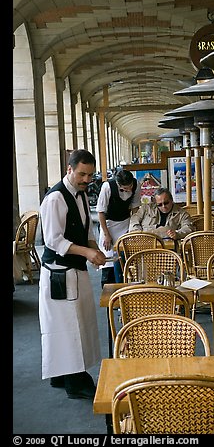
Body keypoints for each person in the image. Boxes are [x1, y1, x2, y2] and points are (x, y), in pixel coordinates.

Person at [38, 149, 106, 400]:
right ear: (69, 169)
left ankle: (61, 374)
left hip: (74, 271)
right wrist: (87, 253)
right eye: (81, 174)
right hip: (59, 273)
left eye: (89, 175)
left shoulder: (81, 193)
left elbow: (85, 227)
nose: (86, 180)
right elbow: (54, 240)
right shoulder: (55, 198)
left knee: (79, 323)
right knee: (68, 329)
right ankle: (75, 381)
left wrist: (94, 247)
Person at [96, 168, 141, 286]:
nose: (128, 190)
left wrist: (134, 229)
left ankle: (124, 288)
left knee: (123, 259)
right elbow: (100, 212)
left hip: (125, 223)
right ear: (118, 184)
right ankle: (108, 294)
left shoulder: (136, 185)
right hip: (109, 224)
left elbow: (135, 209)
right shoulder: (107, 187)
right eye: (125, 188)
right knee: (108, 261)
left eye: (130, 186)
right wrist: (106, 235)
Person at [129, 187, 194, 240]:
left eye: (166, 203)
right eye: (159, 204)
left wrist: (178, 233)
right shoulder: (146, 209)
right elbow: (134, 220)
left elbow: (188, 228)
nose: (164, 206)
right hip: (146, 244)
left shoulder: (181, 213)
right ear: (155, 203)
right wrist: (137, 232)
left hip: (169, 249)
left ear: (172, 200)